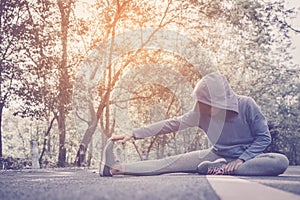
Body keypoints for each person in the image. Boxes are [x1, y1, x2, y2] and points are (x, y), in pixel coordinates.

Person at [99, 71, 289, 177]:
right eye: (205, 104)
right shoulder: (201, 112)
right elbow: (171, 124)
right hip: (216, 154)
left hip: (248, 159)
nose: (208, 109)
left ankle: (221, 169)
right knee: (168, 163)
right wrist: (133, 133)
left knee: (280, 162)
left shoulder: (247, 104)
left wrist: (241, 160)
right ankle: (115, 168)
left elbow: (264, 137)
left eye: (212, 105)